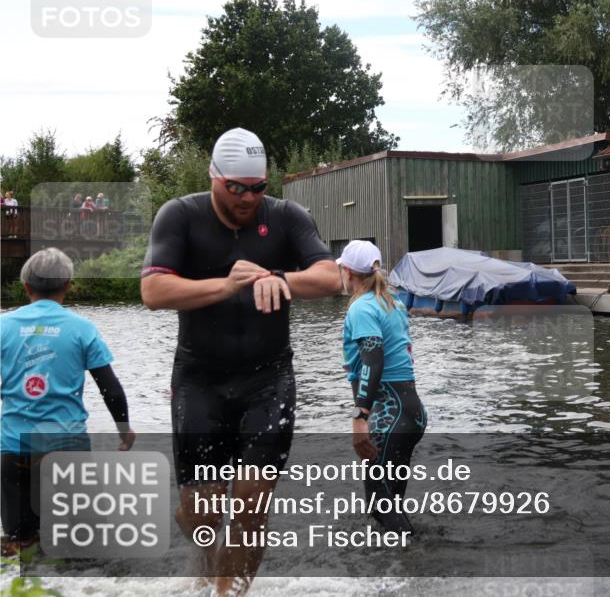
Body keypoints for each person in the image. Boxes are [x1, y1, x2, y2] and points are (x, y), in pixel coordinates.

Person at [140, 127, 341, 597]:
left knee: (251, 501)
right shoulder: (180, 215)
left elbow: (331, 277)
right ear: (214, 177)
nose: (248, 198)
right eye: (236, 188)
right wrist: (228, 286)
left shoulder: (287, 216)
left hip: (268, 380)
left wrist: (279, 277)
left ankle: (229, 593)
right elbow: (153, 291)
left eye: (258, 188)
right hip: (199, 381)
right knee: (202, 512)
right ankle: (202, 555)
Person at [0, 248, 135, 556]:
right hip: (66, 447)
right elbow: (110, 388)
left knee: (20, 546)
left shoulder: (4, 327)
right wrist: (124, 429)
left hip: (13, 447)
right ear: (68, 286)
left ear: (26, 287)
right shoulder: (81, 328)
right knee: (87, 544)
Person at [339, 240, 427, 534]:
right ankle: (396, 566)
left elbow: (373, 360)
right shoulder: (393, 302)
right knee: (391, 504)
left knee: (380, 505)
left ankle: (421, 563)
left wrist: (359, 416)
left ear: (348, 272)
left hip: (389, 415)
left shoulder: (361, 309)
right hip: (409, 412)